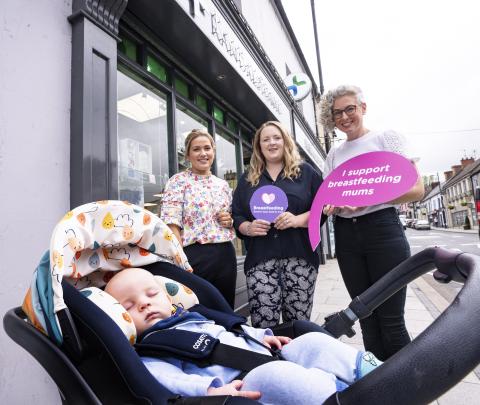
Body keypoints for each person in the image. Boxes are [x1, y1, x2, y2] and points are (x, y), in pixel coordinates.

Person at [105, 268, 382, 404]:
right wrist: (209, 390)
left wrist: (262, 335)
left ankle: (374, 373)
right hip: (240, 384)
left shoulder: (195, 316)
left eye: (152, 295)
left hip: (265, 353)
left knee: (312, 342)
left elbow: (232, 330)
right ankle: (339, 397)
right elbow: (168, 379)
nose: (144, 303)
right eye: (129, 306)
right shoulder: (151, 350)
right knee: (279, 376)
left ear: (168, 299)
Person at [319, 85, 425, 360]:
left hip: (383, 231)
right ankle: (376, 385)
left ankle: (406, 387)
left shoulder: (386, 139)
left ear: (363, 108)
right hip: (346, 237)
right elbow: (329, 198)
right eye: (337, 113)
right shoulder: (333, 155)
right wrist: (331, 206)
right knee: (365, 316)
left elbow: (417, 189)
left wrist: (372, 199)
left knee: (391, 320)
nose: (344, 117)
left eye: (350, 109)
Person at [232, 121, 322, 328]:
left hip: (300, 260)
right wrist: (248, 228)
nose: (271, 143)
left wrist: (297, 220)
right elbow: (236, 214)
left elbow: (323, 206)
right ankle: (271, 361)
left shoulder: (306, 172)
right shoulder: (248, 178)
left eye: (276, 138)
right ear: (259, 146)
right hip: (260, 262)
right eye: (266, 139)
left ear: (285, 141)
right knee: (264, 329)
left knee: (298, 326)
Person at [160, 129, 237, 308]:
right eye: (196, 149)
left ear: (213, 152)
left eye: (207, 148)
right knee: (198, 308)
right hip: (194, 256)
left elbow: (233, 217)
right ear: (188, 155)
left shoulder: (223, 185)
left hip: (225, 254)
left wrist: (230, 220)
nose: (203, 153)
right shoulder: (178, 181)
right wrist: (180, 261)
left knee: (226, 307)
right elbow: (171, 222)